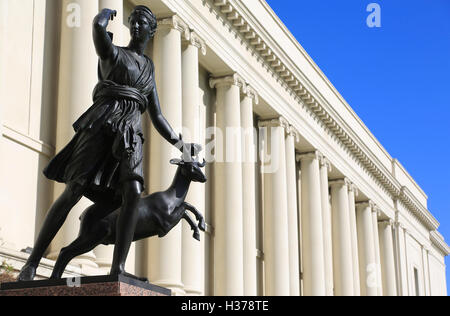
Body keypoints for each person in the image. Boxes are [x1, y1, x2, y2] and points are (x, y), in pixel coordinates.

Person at [18, 5, 199, 281]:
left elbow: (158, 116)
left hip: (130, 133)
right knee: (74, 190)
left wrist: (180, 144)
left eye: (142, 24)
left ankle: (118, 268)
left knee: (133, 192)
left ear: (152, 31)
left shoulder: (148, 69)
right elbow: (99, 33)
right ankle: (32, 262)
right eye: (133, 22)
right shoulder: (114, 54)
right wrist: (101, 18)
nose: (137, 27)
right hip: (102, 122)